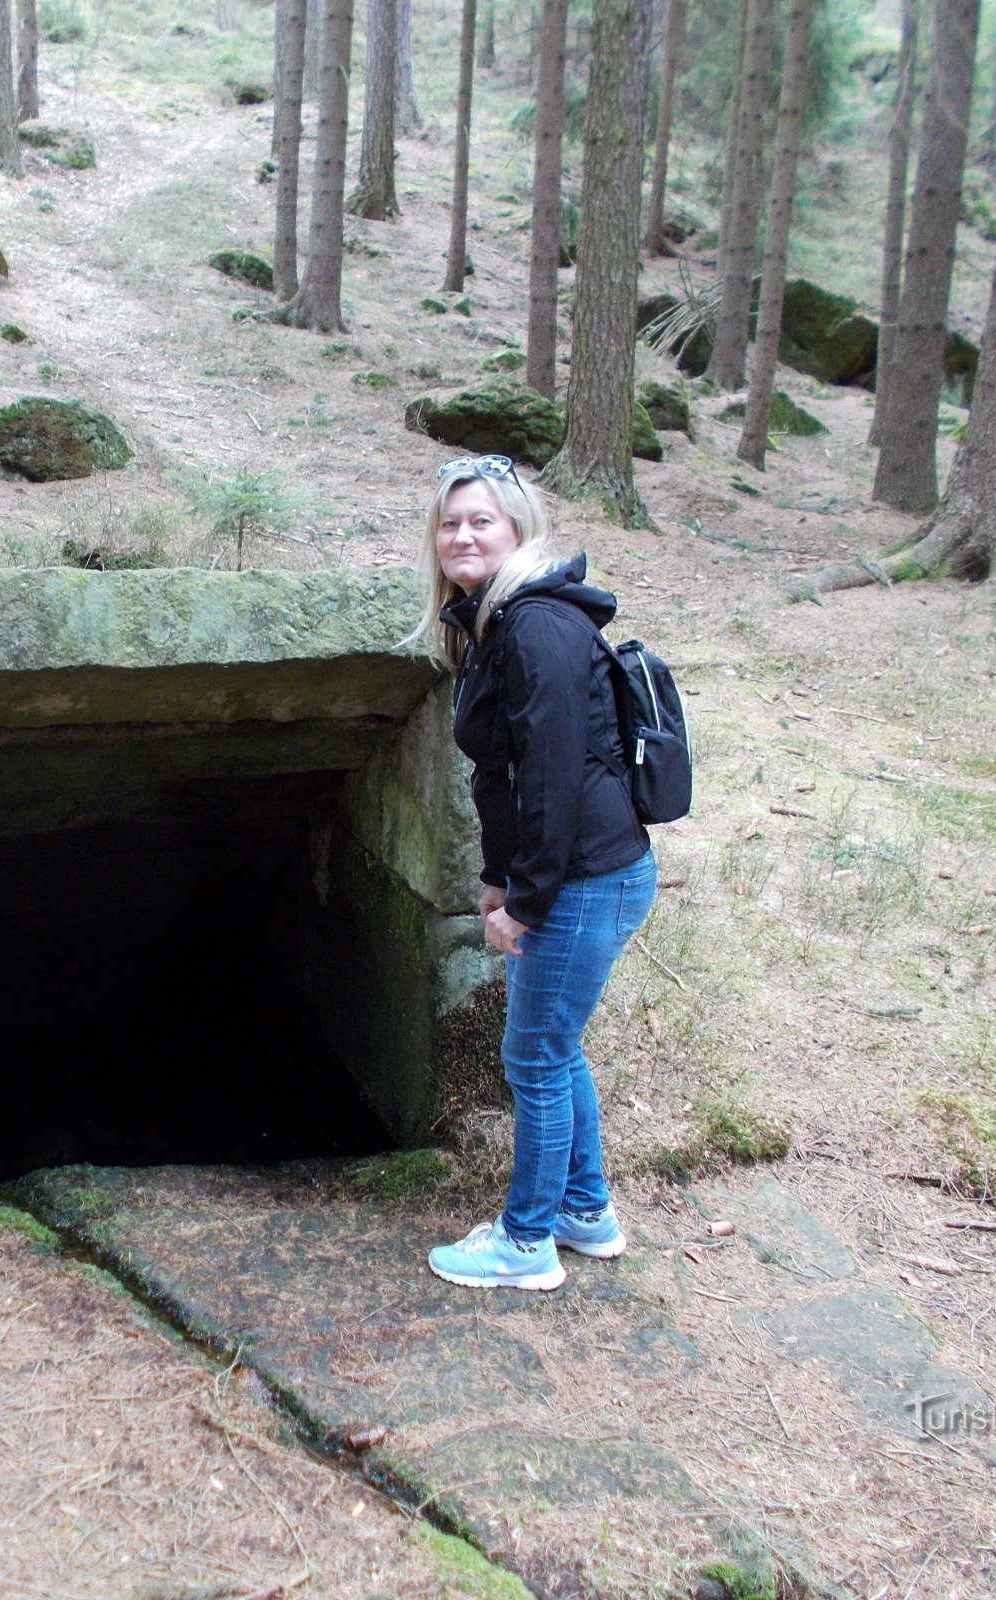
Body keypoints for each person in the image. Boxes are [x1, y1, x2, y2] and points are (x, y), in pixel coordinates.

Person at [409, 454, 657, 1292]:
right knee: (555, 1049)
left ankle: (524, 1244)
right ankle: (585, 1214)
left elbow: (550, 775)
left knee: (536, 1060)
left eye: (481, 519)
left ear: (517, 528)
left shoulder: (537, 624)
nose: (462, 534)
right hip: (581, 873)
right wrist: (493, 873)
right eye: (449, 522)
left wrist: (528, 899)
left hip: (583, 879)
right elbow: (502, 772)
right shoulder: (492, 621)